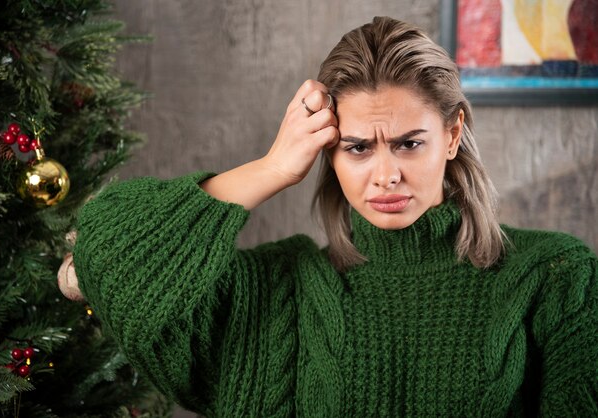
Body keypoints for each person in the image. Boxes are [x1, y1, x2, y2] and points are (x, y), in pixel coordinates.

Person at [62, 16, 598, 417]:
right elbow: (109, 244)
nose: (386, 174)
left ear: (453, 134)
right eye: (359, 148)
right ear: (328, 151)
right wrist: (273, 167)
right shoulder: (276, 292)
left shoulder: (554, 276)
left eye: (410, 143)